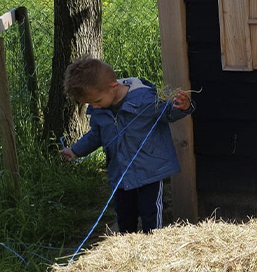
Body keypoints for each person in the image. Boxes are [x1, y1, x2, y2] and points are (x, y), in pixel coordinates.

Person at [59, 57, 194, 233]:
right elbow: (96, 135)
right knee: (124, 214)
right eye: (90, 104)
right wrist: (76, 150)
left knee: (150, 212)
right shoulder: (100, 110)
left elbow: (168, 113)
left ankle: (154, 246)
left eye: (97, 101)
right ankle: (126, 247)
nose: (94, 106)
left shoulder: (145, 98)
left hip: (149, 171)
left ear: (113, 86)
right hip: (120, 172)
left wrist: (182, 107)